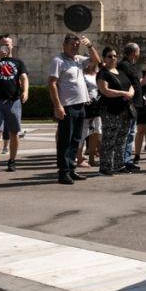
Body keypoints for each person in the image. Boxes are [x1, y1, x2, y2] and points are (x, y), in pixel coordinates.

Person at [48, 34, 101, 184]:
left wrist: (89, 46)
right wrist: (58, 106)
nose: (75, 47)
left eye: (77, 45)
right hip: (67, 107)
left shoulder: (78, 60)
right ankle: (63, 172)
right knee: (65, 140)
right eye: (72, 44)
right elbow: (52, 83)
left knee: (76, 140)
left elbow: (97, 61)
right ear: (64, 44)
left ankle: (71, 168)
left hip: (81, 105)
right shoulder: (58, 61)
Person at [0, 33, 29, 175]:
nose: (5, 47)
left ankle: (12, 160)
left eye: (7, 44)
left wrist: (25, 91)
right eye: (2, 44)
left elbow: (24, 77)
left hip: (13, 101)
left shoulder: (18, 62)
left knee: (14, 132)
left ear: (12, 45)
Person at [97, 48, 135, 175]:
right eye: (109, 56)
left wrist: (130, 93)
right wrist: (123, 93)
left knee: (122, 139)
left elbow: (130, 85)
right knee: (109, 139)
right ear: (104, 58)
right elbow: (105, 90)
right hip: (110, 111)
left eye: (115, 55)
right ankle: (105, 167)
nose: (113, 58)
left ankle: (119, 165)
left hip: (124, 110)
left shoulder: (120, 72)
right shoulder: (103, 73)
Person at [118, 43, 143, 167]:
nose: (140, 54)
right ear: (134, 52)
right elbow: (123, 83)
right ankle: (123, 161)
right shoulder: (123, 65)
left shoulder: (131, 65)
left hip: (134, 103)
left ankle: (126, 159)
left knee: (131, 132)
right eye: (138, 51)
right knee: (127, 132)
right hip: (128, 104)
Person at [79, 58, 101, 168]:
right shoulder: (82, 74)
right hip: (86, 105)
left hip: (97, 105)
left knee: (96, 132)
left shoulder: (99, 74)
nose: (90, 63)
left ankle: (92, 158)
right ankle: (79, 158)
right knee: (83, 132)